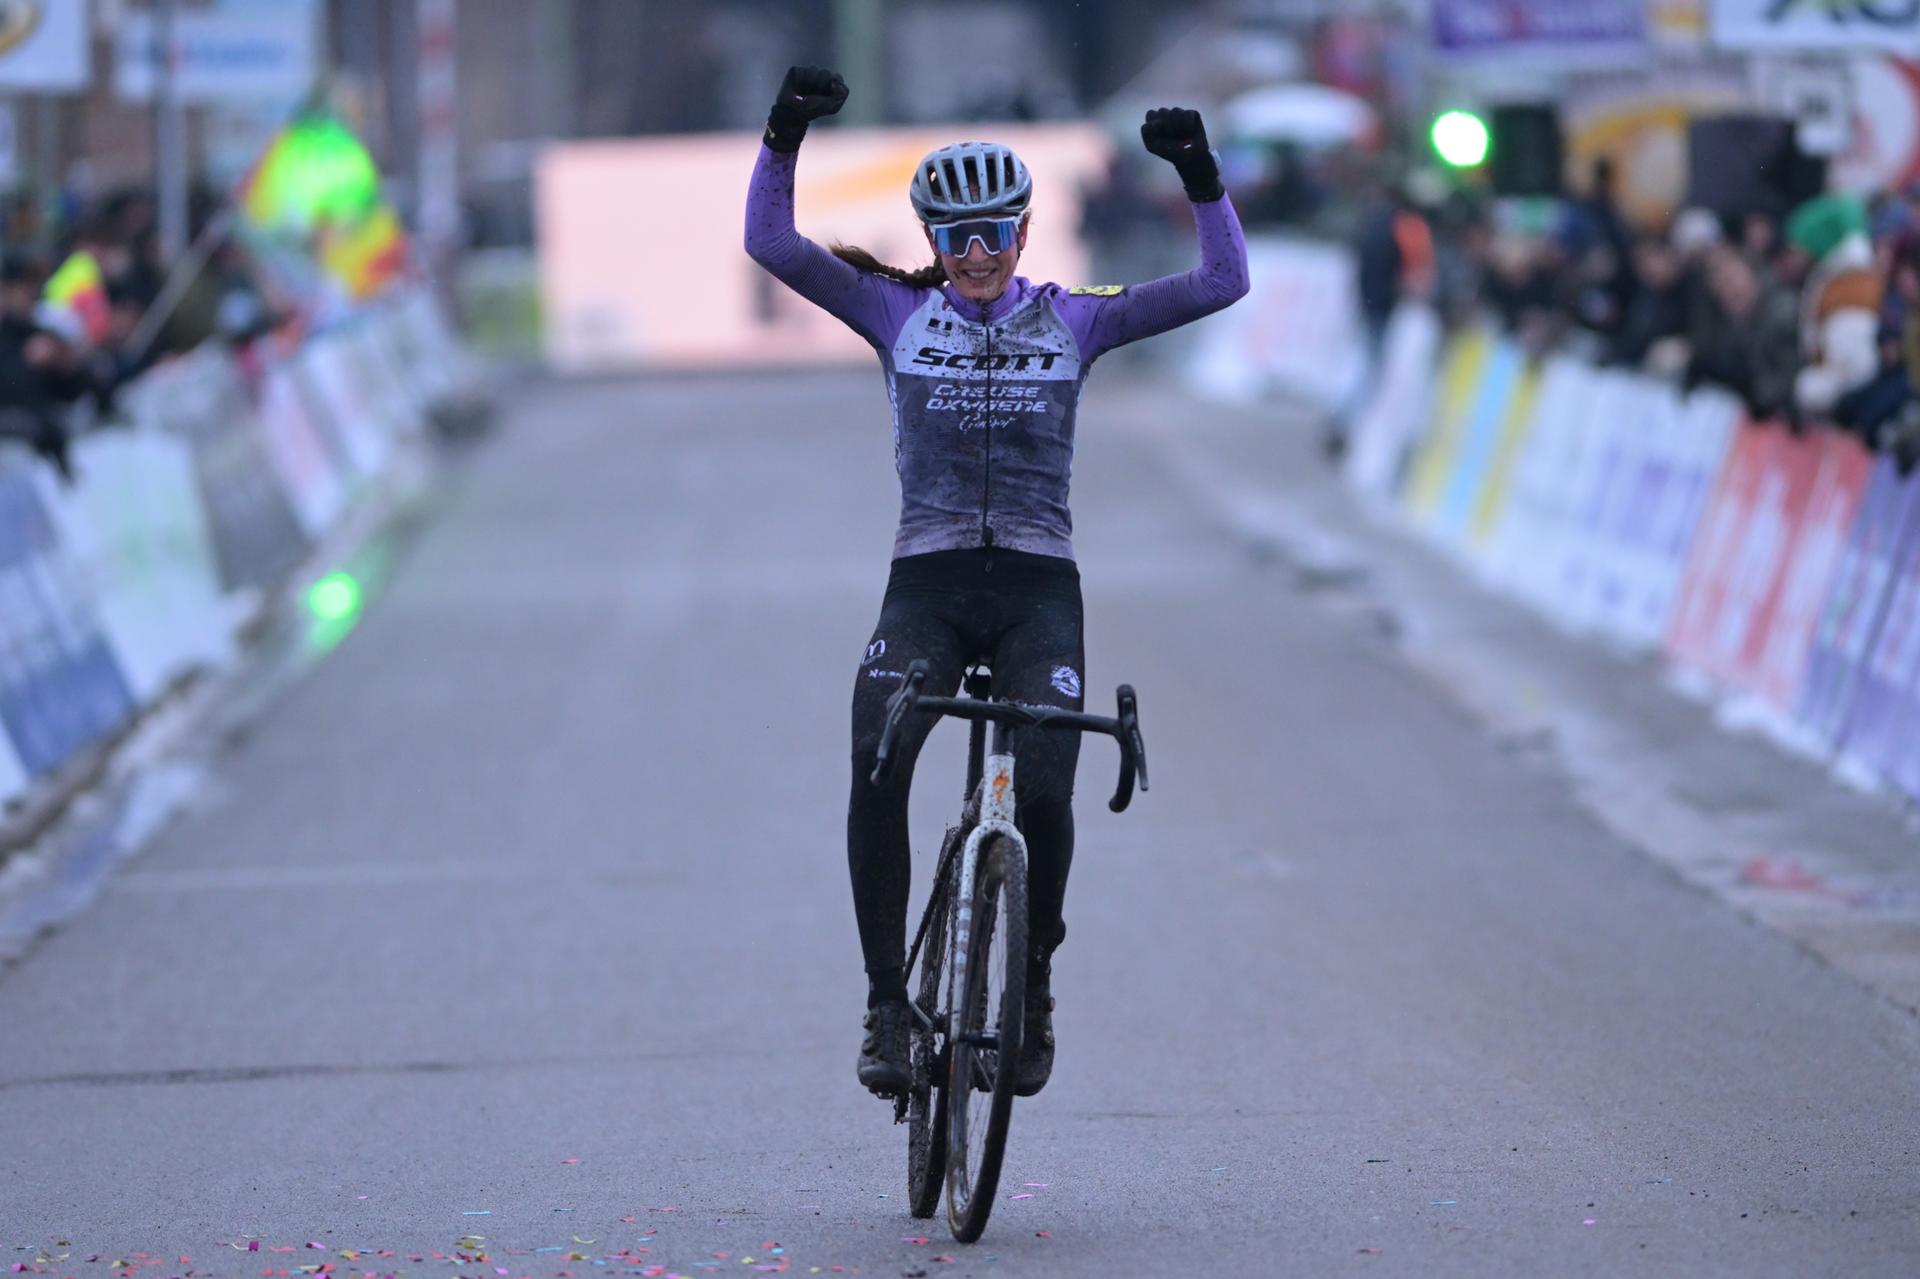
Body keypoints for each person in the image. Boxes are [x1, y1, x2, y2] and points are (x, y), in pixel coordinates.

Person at [743, 65, 1249, 1099]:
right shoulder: (891, 311)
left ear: (1023, 235)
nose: (974, 256)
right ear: (932, 241)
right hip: (925, 585)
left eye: (994, 234)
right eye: (954, 237)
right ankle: (889, 1001)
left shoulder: (1075, 318)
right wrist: (784, 132)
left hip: (1036, 591)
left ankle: (1035, 986)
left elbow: (1219, 283)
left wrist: (1200, 176)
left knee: (1051, 796)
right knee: (876, 760)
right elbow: (773, 245)